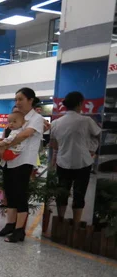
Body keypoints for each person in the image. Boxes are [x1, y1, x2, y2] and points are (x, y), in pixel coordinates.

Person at [0, 88, 44, 243]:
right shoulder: (17, 117)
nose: (17, 103)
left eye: (20, 99)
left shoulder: (36, 118)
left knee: (20, 195)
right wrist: (1, 146)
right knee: (10, 193)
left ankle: (19, 231)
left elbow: (24, 135)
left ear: (30, 100)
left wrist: (4, 145)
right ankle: (10, 225)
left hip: (24, 161)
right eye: (16, 100)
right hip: (9, 161)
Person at [50, 91, 102, 228]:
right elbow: (99, 135)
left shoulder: (55, 123)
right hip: (83, 162)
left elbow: (54, 144)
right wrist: (92, 147)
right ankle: (76, 224)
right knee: (79, 195)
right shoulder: (86, 121)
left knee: (62, 193)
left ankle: (60, 221)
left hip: (62, 162)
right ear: (80, 104)